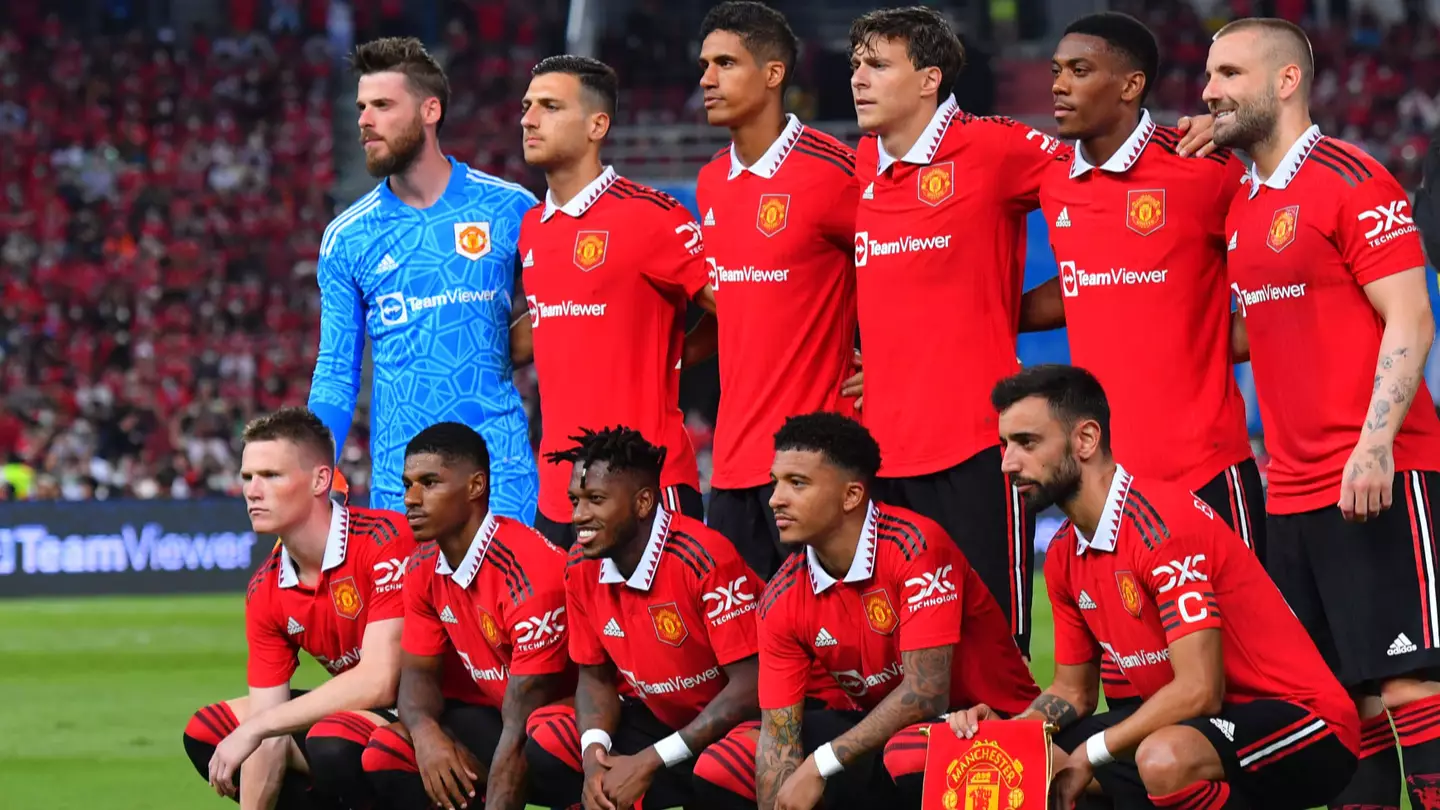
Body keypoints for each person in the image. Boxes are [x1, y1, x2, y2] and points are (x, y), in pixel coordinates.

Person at [1207, 17, 1440, 810]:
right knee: (1348, 698)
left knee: (1409, 680)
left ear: (1285, 82)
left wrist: (1373, 448)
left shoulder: (1351, 178)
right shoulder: (1243, 207)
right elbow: (1264, 331)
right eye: (1209, 75)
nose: (1210, 91)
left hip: (1378, 470)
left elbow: (1410, 317)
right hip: (1293, 491)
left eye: (1230, 74)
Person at [952, 364, 1358, 810]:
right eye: (1004, 445)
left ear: (1085, 440)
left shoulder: (1161, 528)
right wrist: (1012, 733)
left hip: (1305, 724)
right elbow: (1074, 691)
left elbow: (1200, 689)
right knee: (1040, 762)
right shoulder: (1064, 553)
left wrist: (1091, 753)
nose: (1008, 463)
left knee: (1162, 759)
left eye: (1026, 443)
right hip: (1203, 724)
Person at [1022, 12, 1263, 557]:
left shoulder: (1202, 168)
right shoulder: (1056, 182)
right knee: (1135, 645)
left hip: (1206, 468)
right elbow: (1080, 284)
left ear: (1130, 85)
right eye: (1057, 69)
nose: (1058, 85)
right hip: (1107, 478)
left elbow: (1277, 272)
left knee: (1245, 640)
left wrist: (1209, 345)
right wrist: (980, 315)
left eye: (1079, 70)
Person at [719, 412, 1038, 810]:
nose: (775, 499)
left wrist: (820, 764)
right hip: (883, 736)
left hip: (989, 722)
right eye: (775, 482)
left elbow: (925, 696)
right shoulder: (782, 595)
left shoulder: (916, 547)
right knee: (729, 760)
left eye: (797, 483)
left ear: (852, 496)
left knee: (906, 755)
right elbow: (778, 735)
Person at [308, 36, 538, 521]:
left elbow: (562, 310)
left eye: (383, 105)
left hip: (505, 479)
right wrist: (315, 470)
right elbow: (335, 373)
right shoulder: (347, 237)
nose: (364, 121)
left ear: (429, 110)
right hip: (402, 489)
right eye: (361, 107)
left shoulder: (510, 208)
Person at [516, 55, 714, 550]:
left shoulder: (652, 216)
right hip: (560, 494)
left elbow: (738, 308)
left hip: (646, 489)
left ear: (596, 125)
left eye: (549, 106)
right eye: (527, 105)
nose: (528, 118)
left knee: (661, 630)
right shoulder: (531, 228)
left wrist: (680, 354)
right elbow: (550, 324)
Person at [694, 1, 862, 580]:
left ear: (772, 74)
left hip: (815, 465)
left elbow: (897, 276)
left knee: (831, 654)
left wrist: (888, 364)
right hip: (734, 466)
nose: (706, 80)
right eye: (704, 65)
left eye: (724, 63)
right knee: (741, 660)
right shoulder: (712, 180)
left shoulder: (836, 172)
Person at [520, 426, 766, 810]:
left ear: (643, 502)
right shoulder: (580, 566)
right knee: (549, 737)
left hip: (737, 726)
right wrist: (593, 761)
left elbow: (751, 687)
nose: (579, 516)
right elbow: (594, 677)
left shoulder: (703, 558)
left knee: (722, 767)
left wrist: (652, 760)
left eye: (596, 499)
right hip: (660, 723)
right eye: (575, 500)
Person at [181, 408, 413, 809]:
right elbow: (267, 728)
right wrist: (258, 730)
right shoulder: (265, 588)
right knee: (210, 731)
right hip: (365, 719)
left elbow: (381, 681)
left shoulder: (384, 541)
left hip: (431, 718)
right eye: (247, 477)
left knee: (331, 741)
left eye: (271, 476)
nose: (253, 491)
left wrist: (259, 727)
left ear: (320, 480)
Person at [359, 423, 572, 810]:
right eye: (408, 484)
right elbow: (418, 678)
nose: (412, 498)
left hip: (571, 735)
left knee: (545, 735)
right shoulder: (422, 566)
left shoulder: (529, 577)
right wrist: (426, 736)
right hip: (504, 718)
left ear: (476, 487)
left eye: (430, 483)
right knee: (388, 749)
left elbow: (520, 727)